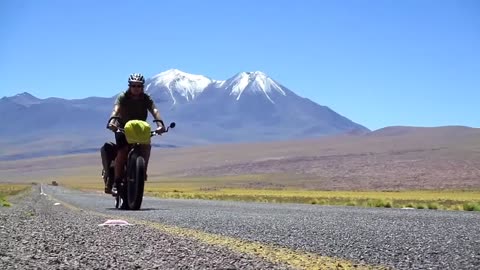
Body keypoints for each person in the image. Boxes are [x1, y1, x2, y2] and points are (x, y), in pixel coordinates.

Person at [103, 73, 166, 194]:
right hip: (123, 128)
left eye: (138, 86)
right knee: (122, 151)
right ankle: (116, 182)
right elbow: (116, 110)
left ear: (142, 87)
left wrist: (160, 124)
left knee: (146, 147)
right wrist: (112, 121)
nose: (136, 88)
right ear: (129, 86)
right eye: (133, 86)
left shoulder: (146, 98)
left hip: (140, 129)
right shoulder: (123, 97)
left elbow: (154, 110)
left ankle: (142, 173)